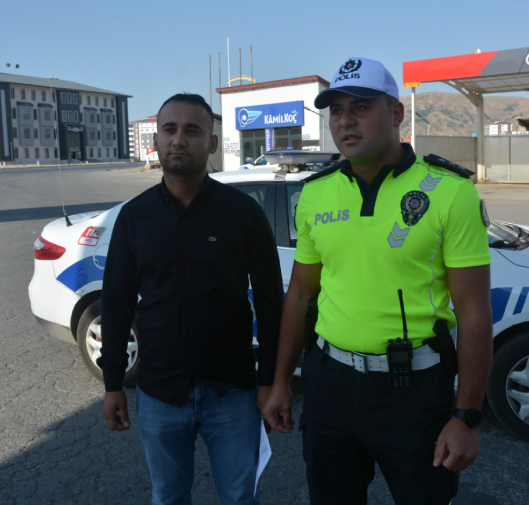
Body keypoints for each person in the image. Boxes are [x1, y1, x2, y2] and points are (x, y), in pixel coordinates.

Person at [261, 57, 493, 504]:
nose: (345, 121)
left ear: (396, 113)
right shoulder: (314, 193)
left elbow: (473, 311)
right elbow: (301, 294)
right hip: (330, 386)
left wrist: (465, 416)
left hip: (414, 393)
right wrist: (280, 381)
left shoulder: (449, 191)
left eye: (361, 106)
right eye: (336, 110)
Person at [98, 93, 284, 505]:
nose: (178, 139)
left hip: (233, 392)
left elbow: (271, 303)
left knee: (239, 497)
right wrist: (113, 383)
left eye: (192, 130)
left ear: (212, 144)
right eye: (169, 129)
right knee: (168, 498)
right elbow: (116, 302)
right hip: (160, 393)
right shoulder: (135, 217)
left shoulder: (243, 213)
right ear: (157, 140)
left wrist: (270, 381)